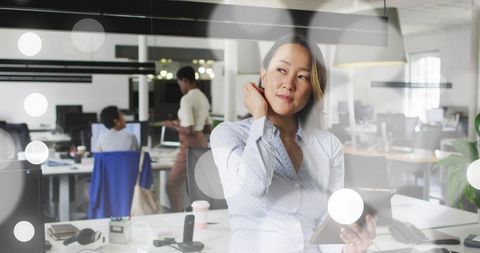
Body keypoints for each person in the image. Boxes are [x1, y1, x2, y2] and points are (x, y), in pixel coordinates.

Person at [210, 35, 376, 253]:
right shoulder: (227, 135)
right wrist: (261, 117)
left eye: (302, 76)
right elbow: (255, 185)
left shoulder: (328, 146)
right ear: (263, 74)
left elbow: (327, 228)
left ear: (313, 88)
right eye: (281, 70)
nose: (288, 84)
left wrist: (350, 249)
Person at [163, 66, 212, 212]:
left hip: (189, 145)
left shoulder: (187, 99)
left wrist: (172, 126)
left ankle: (178, 218)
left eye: (180, 83)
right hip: (202, 143)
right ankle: (197, 219)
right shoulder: (203, 97)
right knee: (195, 187)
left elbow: (189, 129)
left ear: (184, 80)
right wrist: (182, 125)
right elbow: (207, 128)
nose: (180, 87)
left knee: (171, 186)